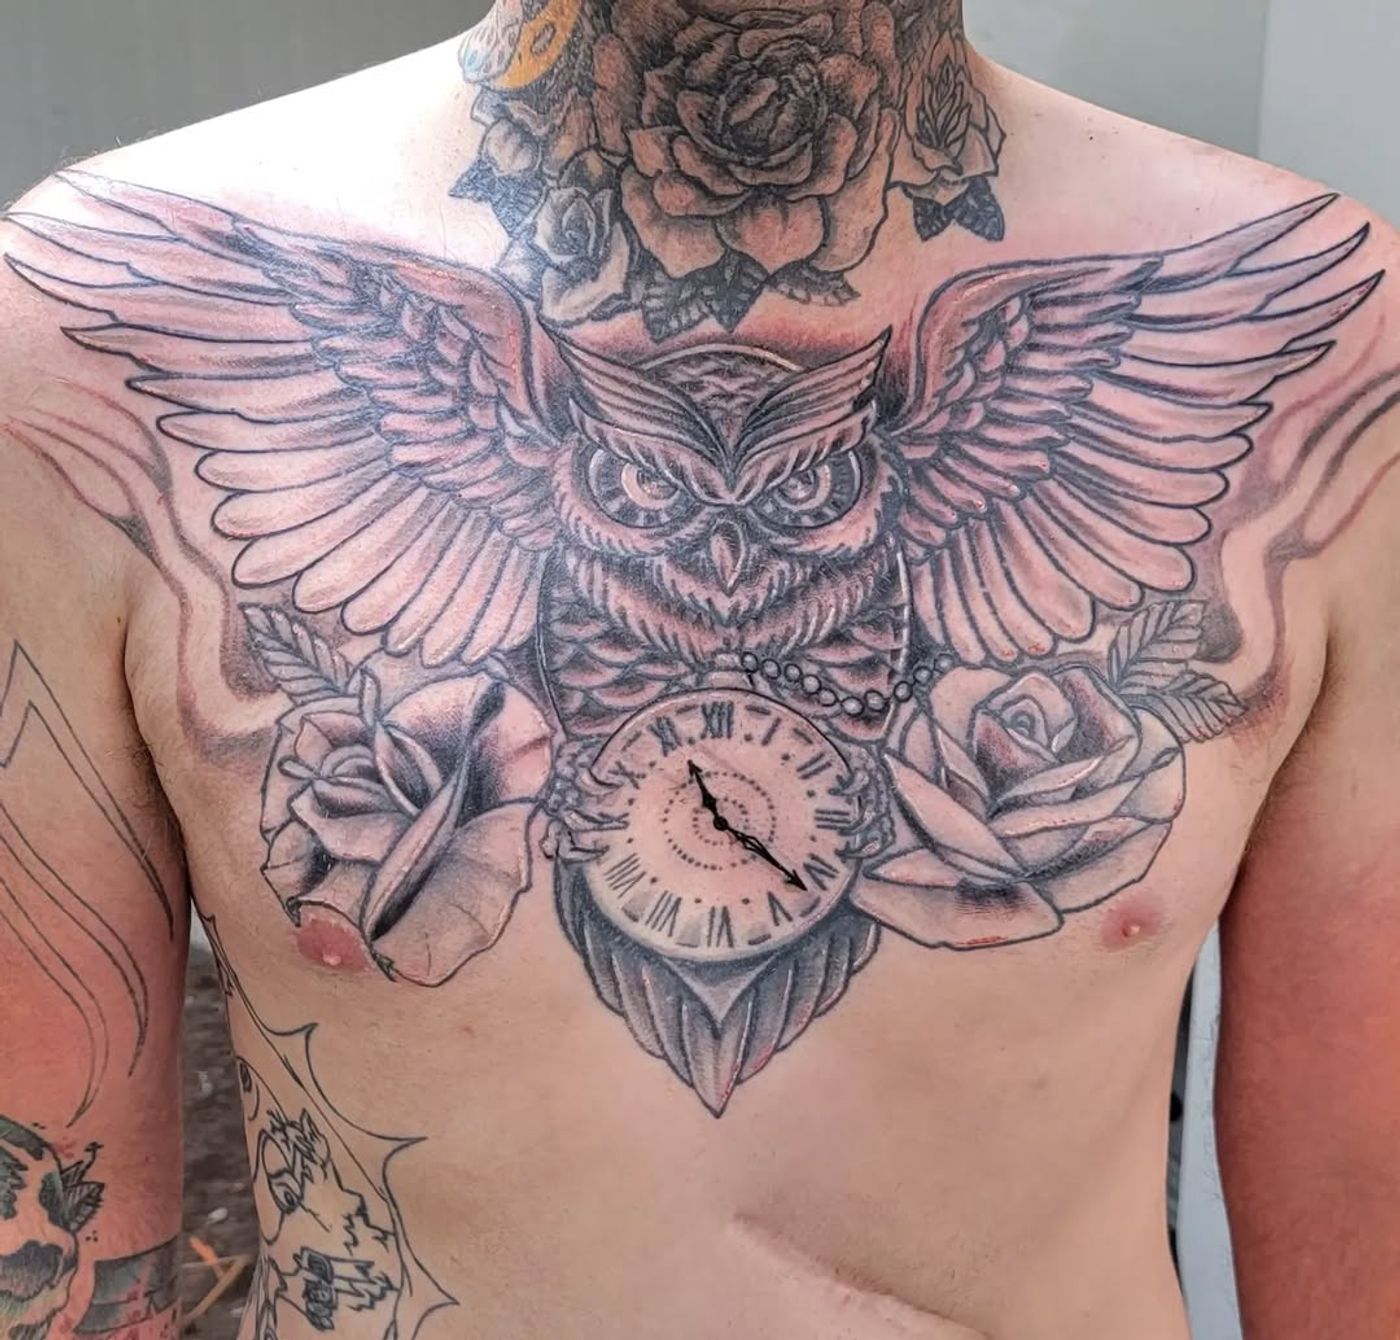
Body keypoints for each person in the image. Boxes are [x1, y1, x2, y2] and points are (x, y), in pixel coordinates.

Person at [0, 1, 1396, 1336]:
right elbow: (51, 1216)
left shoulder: (1329, 344)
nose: (727, 538)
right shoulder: (96, 318)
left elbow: (1361, 1183)